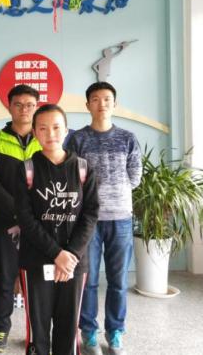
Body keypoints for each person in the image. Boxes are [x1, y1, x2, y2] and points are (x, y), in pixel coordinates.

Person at [15, 104, 99, 355]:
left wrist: (70, 255)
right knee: (38, 330)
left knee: (68, 327)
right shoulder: (27, 169)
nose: (50, 133)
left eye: (56, 127)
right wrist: (56, 254)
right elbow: (26, 219)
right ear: (34, 132)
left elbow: (90, 214)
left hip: (74, 262)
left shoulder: (83, 169)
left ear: (66, 130)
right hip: (36, 261)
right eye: (43, 128)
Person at [68, 82, 142, 355]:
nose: (102, 104)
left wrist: (114, 192)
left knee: (118, 280)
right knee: (88, 280)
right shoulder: (78, 139)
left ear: (114, 104)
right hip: (88, 221)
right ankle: (88, 332)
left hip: (121, 218)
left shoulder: (128, 138)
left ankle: (115, 332)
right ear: (87, 105)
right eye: (96, 99)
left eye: (107, 99)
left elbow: (135, 176)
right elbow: (72, 176)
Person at [0, 84, 42, 352]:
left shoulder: (44, 139)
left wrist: (33, 214)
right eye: (18, 104)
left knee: (37, 278)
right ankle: (0, 328)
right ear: (9, 107)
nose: (24, 110)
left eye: (29, 105)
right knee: (6, 275)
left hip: (41, 222)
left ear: (36, 107)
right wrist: (19, 211)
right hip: (6, 220)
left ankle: (36, 332)